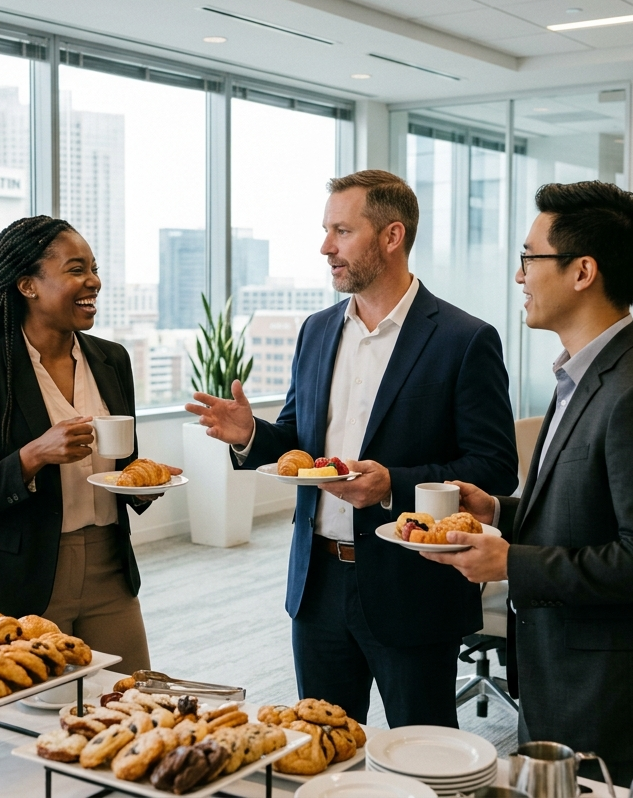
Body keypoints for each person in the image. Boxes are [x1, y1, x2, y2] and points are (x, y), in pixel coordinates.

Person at [187, 170, 518, 727]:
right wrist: (251, 435)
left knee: (423, 756)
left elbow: (495, 468)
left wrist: (394, 483)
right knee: (323, 751)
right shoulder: (316, 330)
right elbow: (297, 442)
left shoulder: (464, 339)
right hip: (316, 585)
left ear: (392, 237)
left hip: (411, 588)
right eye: (325, 230)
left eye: (341, 231)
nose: (325, 247)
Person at [421, 181, 633, 785]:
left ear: (582, 272)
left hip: (609, 690)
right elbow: (581, 513)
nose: (519, 275)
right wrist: (499, 511)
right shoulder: (583, 374)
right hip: (562, 670)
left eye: (530, 258)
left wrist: (511, 564)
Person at [0, 216, 179, 673]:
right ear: (28, 285)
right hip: (21, 579)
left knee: (126, 703)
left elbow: (123, 463)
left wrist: (144, 481)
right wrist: (34, 456)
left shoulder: (112, 359)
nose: (94, 281)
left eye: (93, 268)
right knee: (23, 719)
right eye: (76, 270)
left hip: (110, 568)